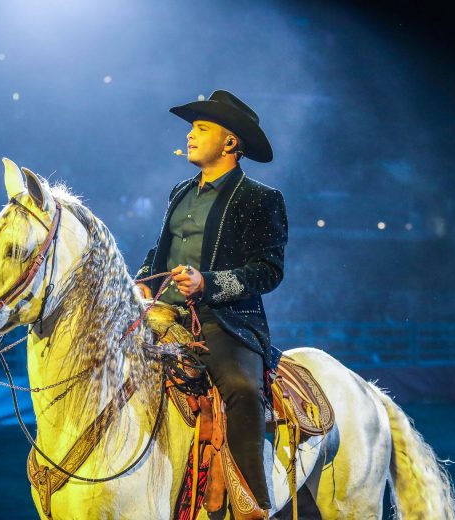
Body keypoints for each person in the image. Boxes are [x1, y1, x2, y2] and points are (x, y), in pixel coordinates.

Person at [135, 90, 287, 513]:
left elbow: (268, 270)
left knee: (239, 389)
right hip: (161, 313)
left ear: (231, 142)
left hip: (225, 321)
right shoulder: (178, 192)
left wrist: (209, 282)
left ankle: (252, 502)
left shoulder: (261, 199)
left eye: (201, 128)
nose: (190, 136)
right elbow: (159, 251)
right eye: (191, 129)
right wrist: (144, 282)